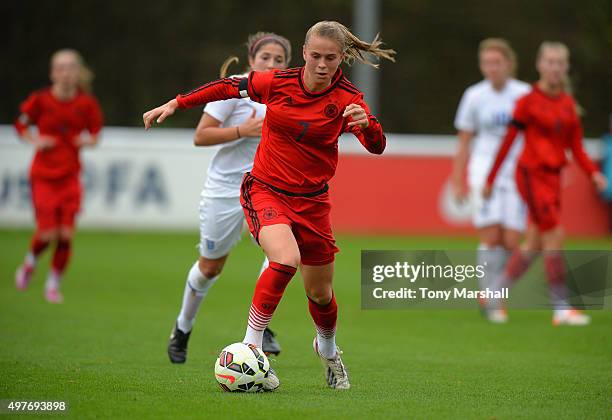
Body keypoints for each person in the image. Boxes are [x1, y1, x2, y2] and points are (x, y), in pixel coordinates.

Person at [144, 20, 395, 390]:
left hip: (313, 202)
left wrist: (369, 126)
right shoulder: (278, 83)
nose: (322, 65)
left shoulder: (348, 100)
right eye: (315, 56)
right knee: (283, 260)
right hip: (266, 189)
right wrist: (177, 102)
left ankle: (327, 350)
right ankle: (251, 348)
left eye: (331, 58)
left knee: (320, 293)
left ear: (342, 57)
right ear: (304, 52)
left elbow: (376, 146)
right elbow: (228, 87)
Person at [167, 32, 291, 364]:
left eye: (280, 60)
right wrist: (242, 131)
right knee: (210, 267)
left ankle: (260, 327)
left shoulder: (288, 93)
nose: (272, 64)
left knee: (281, 253)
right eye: (266, 57)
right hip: (224, 190)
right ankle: (182, 328)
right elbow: (200, 136)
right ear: (252, 60)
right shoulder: (235, 90)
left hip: (266, 188)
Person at [484, 41, 607, 325]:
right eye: (549, 62)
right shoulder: (528, 102)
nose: (554, 68)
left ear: (565, 68)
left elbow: (576, 147)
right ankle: (562, 308)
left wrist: (593, 173)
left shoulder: (567, 105)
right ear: (540, 65)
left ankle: (495, 294)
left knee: (536, 243)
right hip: (531, 174)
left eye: (559, 63)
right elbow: (509, 142)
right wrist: (491, 178)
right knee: (555, 235)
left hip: (552, 178)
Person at [14, 49, 103, 304]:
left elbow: (96, 133)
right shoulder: (40, 100)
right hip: (43, 176)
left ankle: (53, 284)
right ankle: (30, 264)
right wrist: (35, 139)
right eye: (61, 68)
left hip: (70, 177)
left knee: (65, 235)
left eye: (70, 68)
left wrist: (85, 140)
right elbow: (20, 123)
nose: (66, 73)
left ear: (78, 73)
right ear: (53, 73)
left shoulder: (86, 103)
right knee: (46, 234)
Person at [452, 38, 530, 323]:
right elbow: (464, 141)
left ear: (508, 63)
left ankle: (496, 291)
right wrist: (458, 178)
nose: (492, 68)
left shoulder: (525, 94)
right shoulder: (474, 95)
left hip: (516, 171)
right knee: (491, 235)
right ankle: (491, 298)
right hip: (483, 170)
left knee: (511, 240)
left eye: (497, 62)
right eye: (487, 63)